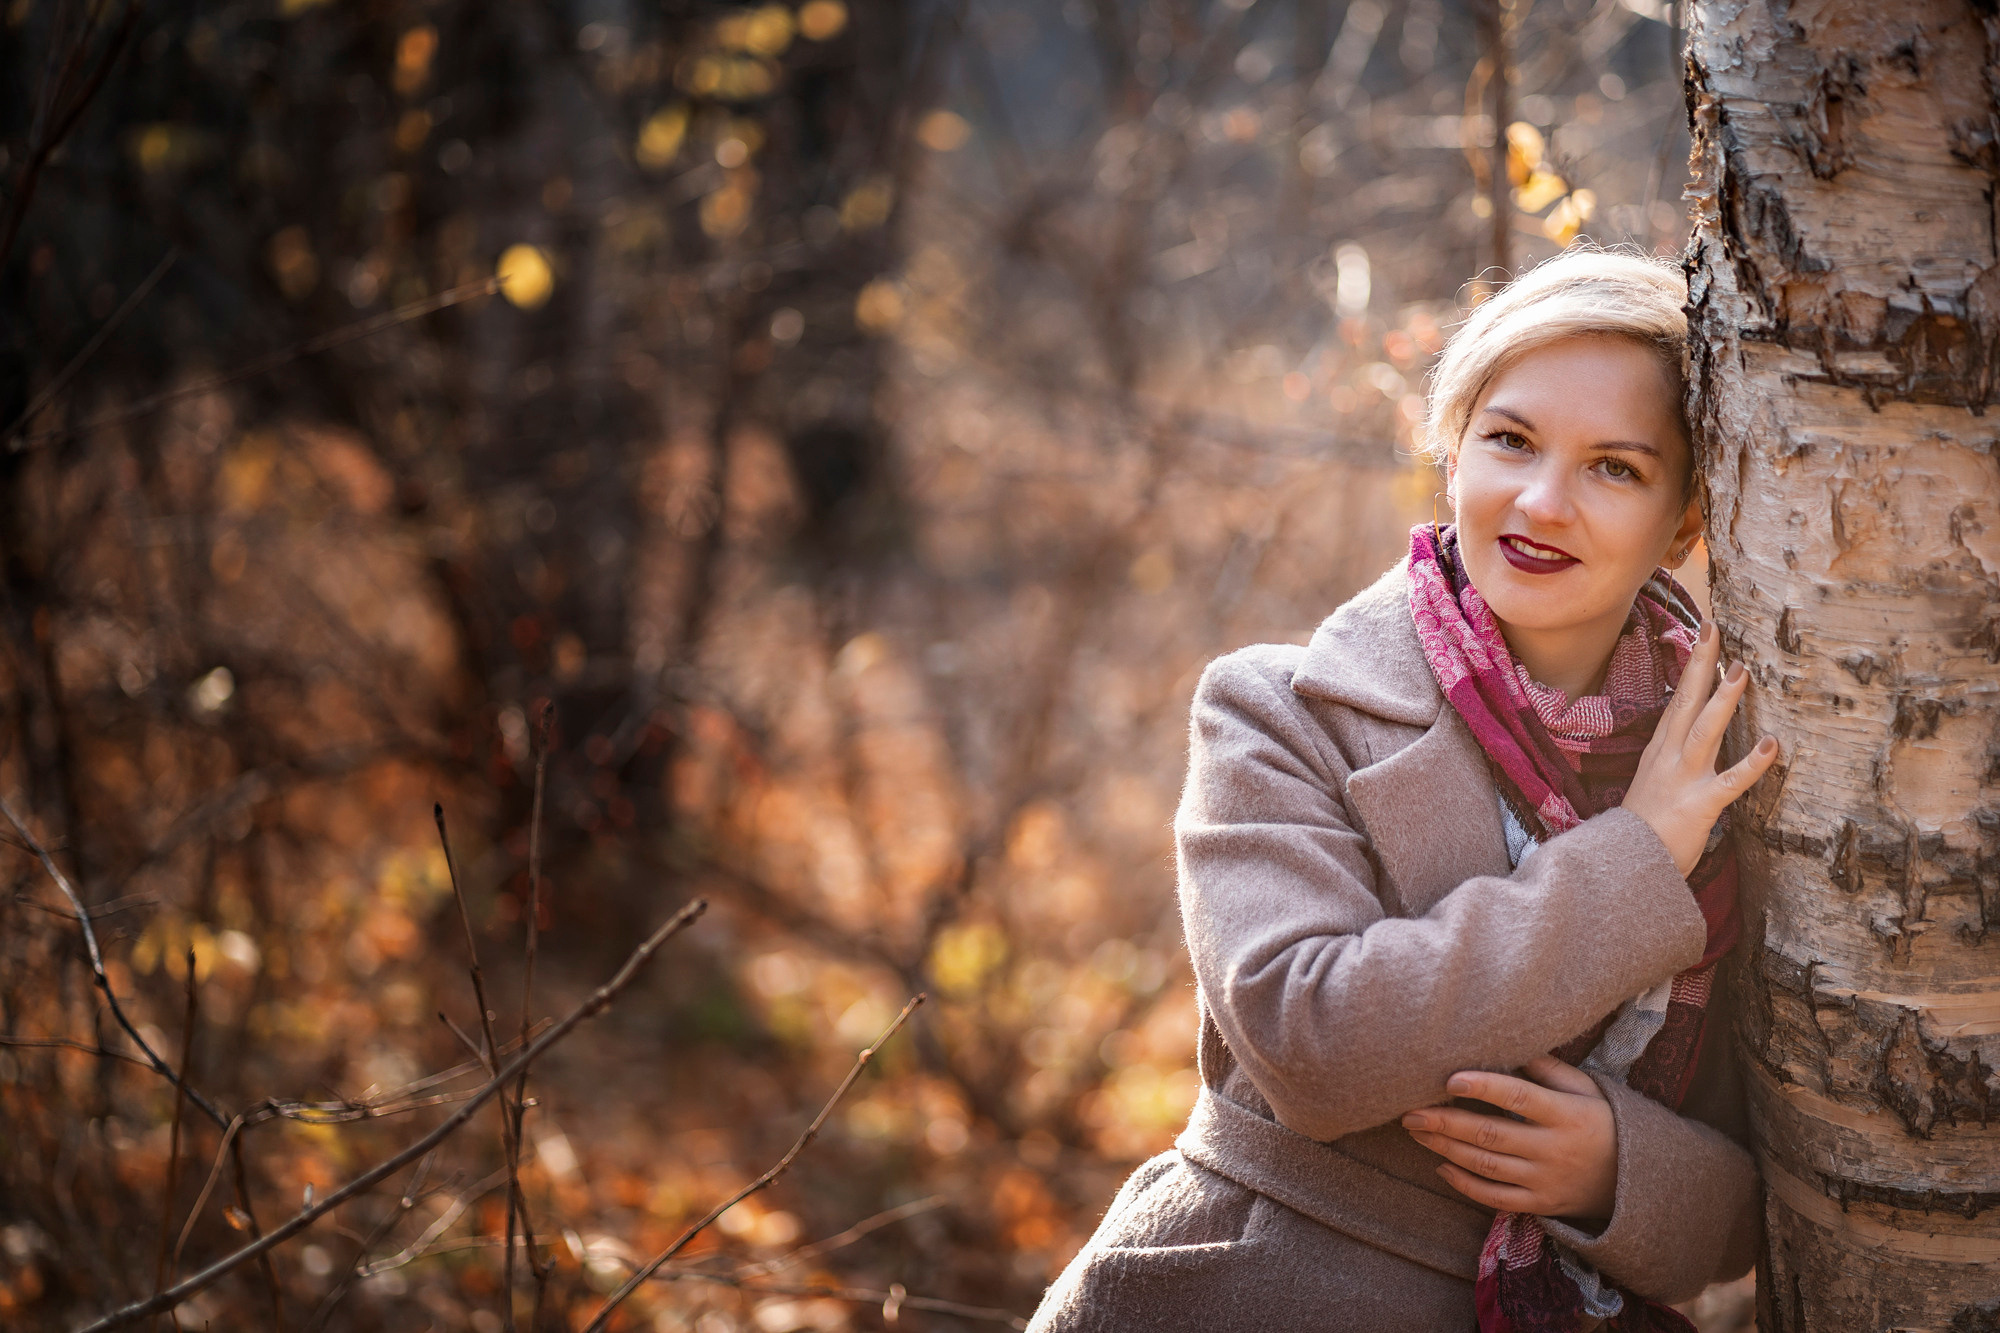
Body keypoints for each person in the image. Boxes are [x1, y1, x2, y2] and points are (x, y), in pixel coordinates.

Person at [1025, 246, 1779, 1333]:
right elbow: (1309, 1040)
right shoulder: (1278, 709)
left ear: (1683, 519)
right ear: (1451, 449)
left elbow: (1776, 1184)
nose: (1540, 500)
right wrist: (1633, 862)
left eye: (1612, 466)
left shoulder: (1727, 772)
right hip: (1251, 1288)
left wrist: (1616, 1168)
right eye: (1508, 440)